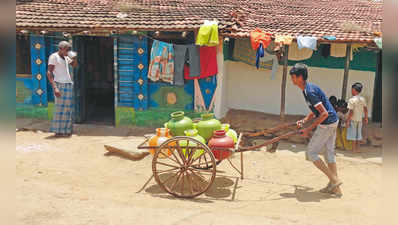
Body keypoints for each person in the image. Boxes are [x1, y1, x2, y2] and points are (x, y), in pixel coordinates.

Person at [289, 63, 342, 197]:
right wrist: (305, 120)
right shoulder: (308, 88)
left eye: (293, 77)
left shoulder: (310, 92)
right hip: (333, 121)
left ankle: (335, 180)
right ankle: (334, 187)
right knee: (329, 153)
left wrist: (308, 129)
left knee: (311, 153)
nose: (292, 79)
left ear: (300, 77)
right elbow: (315, 110)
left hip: (327, 123)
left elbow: (323, 113)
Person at [47, 41, 78, 137]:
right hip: (59, 85)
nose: (68, 51)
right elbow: (49, 72)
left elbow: (74, 65)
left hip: (68, 84)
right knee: (59, 109)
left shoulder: (66, 57)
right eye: (67, 49)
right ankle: (58, 131)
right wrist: (55, 88)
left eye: (69, 49)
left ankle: (66, 130)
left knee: (68, 109)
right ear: (61, 49)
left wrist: (74, 57)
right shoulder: (54, 57)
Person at [346, 82, 368, 153]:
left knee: (353, 134)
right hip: (359, 119)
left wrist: (348, 120)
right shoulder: (363, 99)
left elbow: (351, 112)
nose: (351, 91)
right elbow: (365, 109)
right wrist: (366, 117)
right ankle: (358, 149)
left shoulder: (351, 100)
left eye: (352, 89)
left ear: (354, 90)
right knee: (359, 134)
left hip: (353, 119)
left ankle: (353, 149)